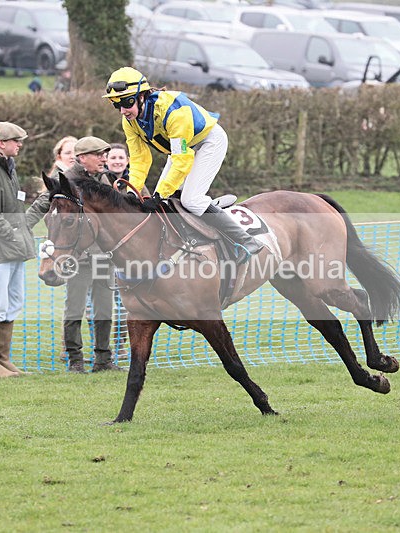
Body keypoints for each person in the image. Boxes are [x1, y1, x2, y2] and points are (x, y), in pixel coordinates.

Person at [102, 66, 263, 265]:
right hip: (181, 150)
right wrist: (132, 192)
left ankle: (246, 240)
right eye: (116, 105)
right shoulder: (129, 121)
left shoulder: (173, 111)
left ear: (142, 95)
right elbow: (139, 160)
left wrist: (159, 193)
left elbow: (182, 159)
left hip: (208, 142)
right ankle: (188, 240)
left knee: (190, 200)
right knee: (166, 200)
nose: (123, 110)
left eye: (127, 102)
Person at [0, 121, 50, 377]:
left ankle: (3, 360)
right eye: (16, 140)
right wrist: (10, 234)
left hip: (13, 247)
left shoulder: (9, 167)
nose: (20, 144)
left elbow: (15, 209)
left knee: (13, 301)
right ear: (0, 143)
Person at [59, 136, 124, 373]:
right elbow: (47, 206)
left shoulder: (103, 177)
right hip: (79, 256)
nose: (103, 159)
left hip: (104, 255)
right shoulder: (68, 180)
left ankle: (103, 360)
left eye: (104, 154)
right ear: (83, 157)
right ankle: (75, 360)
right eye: (99, 155)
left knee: (105, 309)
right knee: (74, 308)